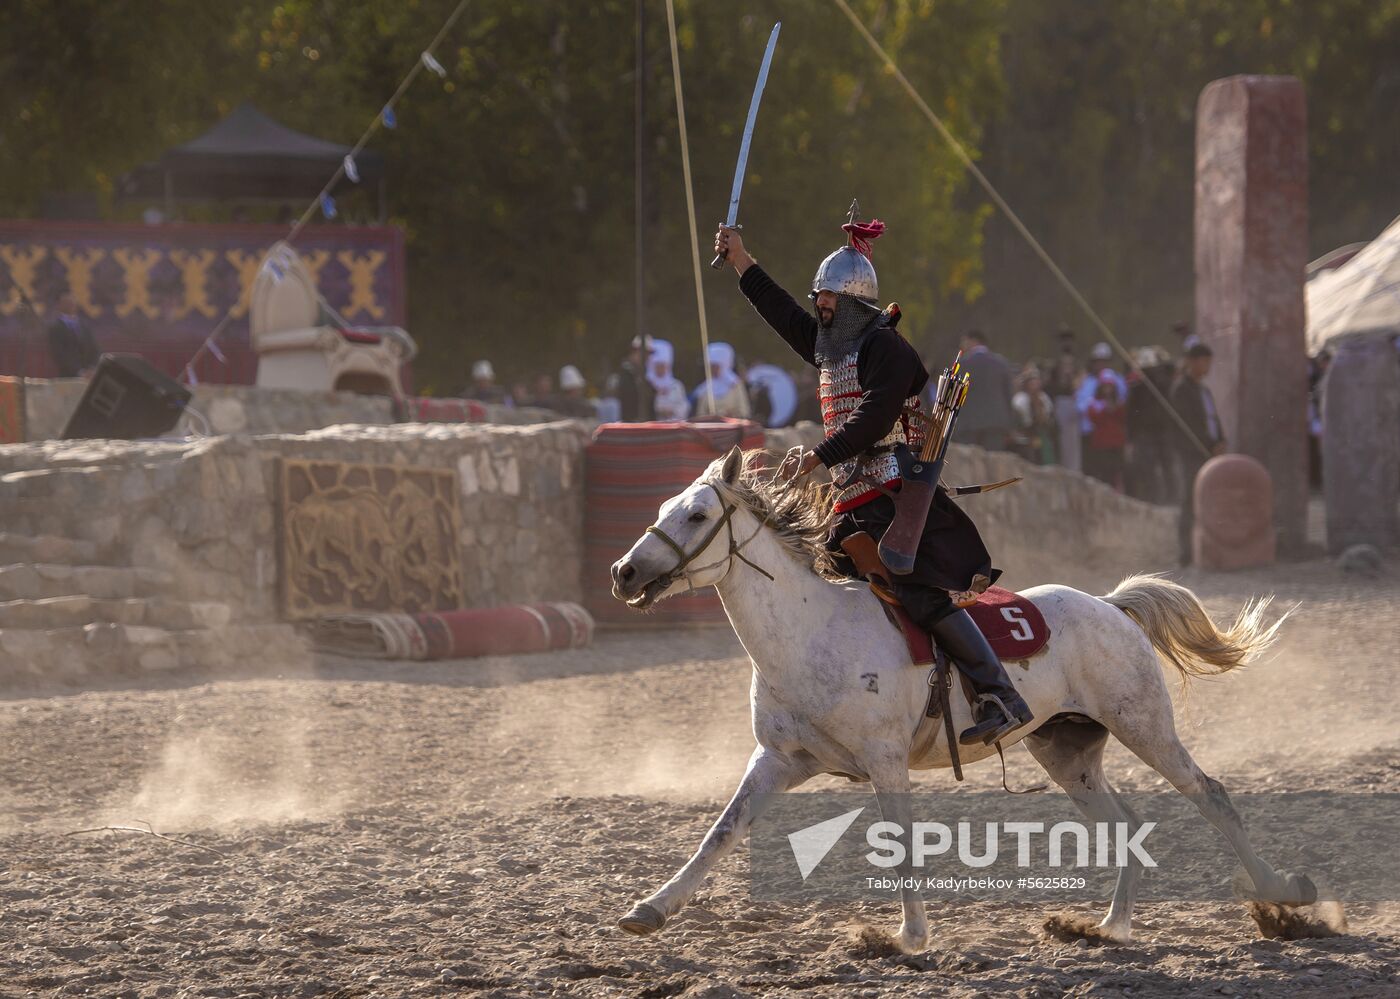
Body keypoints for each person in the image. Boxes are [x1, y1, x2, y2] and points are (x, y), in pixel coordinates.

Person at [714, 214, 1032, 746]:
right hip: (851, 501)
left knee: (918, 595)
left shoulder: (887, 348)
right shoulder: (831, 344)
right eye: (819, 295)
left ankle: (1001, 695)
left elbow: (875, 418)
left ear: (853, 301)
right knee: (818, 592)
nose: (820, 304)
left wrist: (817, 457)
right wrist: (741, 260)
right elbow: (782, 312)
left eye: (829, 297)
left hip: (894, 495)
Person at [1169, 341, 1226, 566]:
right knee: (1189, 500)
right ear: (1192, 362)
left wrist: (1220, 440)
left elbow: (1213, 419)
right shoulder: (1181, 389)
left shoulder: (1204, 390)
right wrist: (1210, 443)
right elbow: (1190, 424)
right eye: (1204, 362)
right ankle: (1186, 553)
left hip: (1209, 453)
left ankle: (1209, 549)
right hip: (1190, 454)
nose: (1207, 366)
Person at [1124, 346, 1178, 503]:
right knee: (1149, 467)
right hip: (1145, 432)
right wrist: (1131, 436)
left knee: (1166, 465)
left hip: (1162, 430)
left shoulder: (1165, 382)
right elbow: (1131, 412)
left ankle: (1170, 498)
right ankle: (1153, 498)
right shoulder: (1138, 385)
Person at [951, 329, 1014, 452]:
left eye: (964, 341)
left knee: (971, 461)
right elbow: (1008, 395)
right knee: (994, 458)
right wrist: (1009, 424)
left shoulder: (962, 364)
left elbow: (955, 395)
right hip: (996, 422)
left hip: (969, 423)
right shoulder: (1001, 363)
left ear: (973, 341)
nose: (962, 345)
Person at [1046, 326, 1083, 472]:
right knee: (1063, 438)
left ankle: (1073, 469)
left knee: (1073, 438)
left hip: (1073, 400)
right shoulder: (1056, 363)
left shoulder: (1075, 362)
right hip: (1061, 401)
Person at [1084, 370, 1127, 489]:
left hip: (1116, 444)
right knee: (1103, 473)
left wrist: (1116, 408)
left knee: (1117, 473)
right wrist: (1105, 409)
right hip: (1101, 444)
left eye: (1110, 386)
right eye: (1105, 386)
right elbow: (1093, 418)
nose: (1107, 389)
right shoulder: (1094, 402)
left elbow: (1123, 418)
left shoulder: (1120, 402)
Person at [690, 342, 751, 419]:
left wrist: (731, 415)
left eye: (715, 366)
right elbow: (700, 414)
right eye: (710, 365)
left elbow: (744, 411)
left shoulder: (735, 385)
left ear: (724, 365)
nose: (712, 369)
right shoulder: (705, 387)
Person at [1010, 365, 1056, 465]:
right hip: (1025, 436)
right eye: (1032, 382)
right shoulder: (1020, 399)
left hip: (1041, 434)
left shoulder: (1043, 398)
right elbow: (1018, 420)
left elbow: (1049, 416)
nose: (1035, 385)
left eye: (1036, 382)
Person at [47, 291, 100, 377]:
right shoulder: (55, 328)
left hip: (89, 376)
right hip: (68, 376)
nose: (71, 305)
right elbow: (59, 354)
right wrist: (80, 372)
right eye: (67, 303)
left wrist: (92, 368)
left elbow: (95, 348)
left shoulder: (84, 325)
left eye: (73, 302)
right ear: (59, 305)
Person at [606, 335, 655, 422]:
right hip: (626, 424)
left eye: (648, 354)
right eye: (645, 353)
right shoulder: (624, 374)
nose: (647, 357)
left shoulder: (642, 375)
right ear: (634, 352)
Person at [647, 339, 690, 422]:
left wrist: (673, 411)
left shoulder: (676, 385)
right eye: (657, 365)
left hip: (674, 424)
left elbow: (684, 406)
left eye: (663, 365)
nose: (660, 369)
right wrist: (660, 410)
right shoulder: (647, 384)